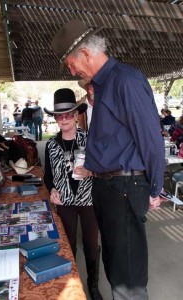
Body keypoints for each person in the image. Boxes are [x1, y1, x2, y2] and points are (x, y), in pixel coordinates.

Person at [51, 19, 166, 300]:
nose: (72, 70)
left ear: (86, 54)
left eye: (70, 63)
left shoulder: (125, 81)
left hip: (125, 187)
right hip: (107, 188)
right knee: (114, 266)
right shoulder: (102, 86)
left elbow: (151, 139)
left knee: (127, 278)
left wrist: (154, 187)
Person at [43, 88, 103, 300]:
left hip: (88, 201)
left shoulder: (90, 140)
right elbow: (48, 176)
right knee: (68, 244)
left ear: (77, 115)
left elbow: (104, 169)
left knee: (91, 245)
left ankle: (93, 287)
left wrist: (91, 171)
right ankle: (72, 285)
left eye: (69, 114)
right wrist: (52, 189)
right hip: (65, 202)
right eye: (60, 115)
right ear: (56, 119)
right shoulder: (50, 145)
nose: (64, 119)